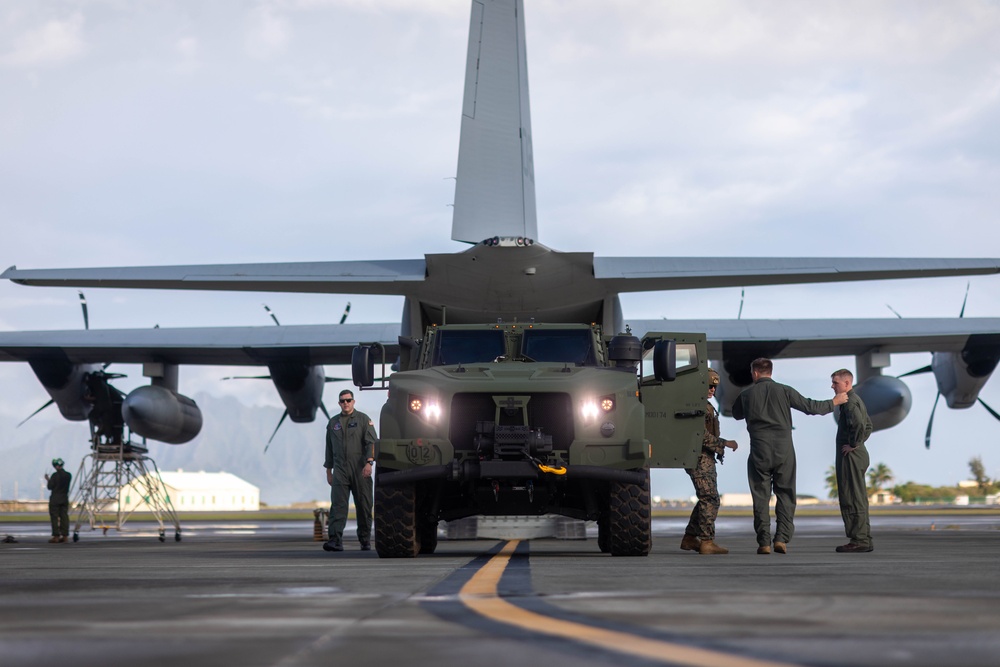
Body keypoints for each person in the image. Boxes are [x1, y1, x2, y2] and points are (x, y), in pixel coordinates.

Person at [732, 358, 847, 555]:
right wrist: (833, 402)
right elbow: (810, 407)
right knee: (785, 494)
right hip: (784, 449)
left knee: (760, 496)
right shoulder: (785, 391)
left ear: (755, 373)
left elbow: (736, 414)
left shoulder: (747, 394)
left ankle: (764, 543)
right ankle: (781, 539)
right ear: (770, 372)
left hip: (759, 449)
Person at [681, 368, 739, 555]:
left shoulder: (703, 405)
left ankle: (690, 538)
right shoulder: (696, 405)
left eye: (714, 386)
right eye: (709, 385)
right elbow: (700, 435)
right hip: (698, 456)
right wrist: (724, 443)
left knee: (707, 497)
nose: (712, 389)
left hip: (704, 457)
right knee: (710, 498)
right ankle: (706, 541)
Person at [323, 389, 377, 552]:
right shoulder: (333, 423)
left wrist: (369, 463)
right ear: (339, 403)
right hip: (340, 470)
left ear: (353, 402)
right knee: (338, 506)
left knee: (364, 505)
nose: (345, 403)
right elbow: (329, 448)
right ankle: (335, 540)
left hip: (360, 469)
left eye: (348, 400)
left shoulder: (363, 420)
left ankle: (365, 539)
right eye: (342, 401)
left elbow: (371, 443)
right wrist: (328, 471)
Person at [830, 369, 874, 553]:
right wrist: (858, 444)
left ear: (847, 383)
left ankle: (859, 540)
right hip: (857, 454)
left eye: (835, 383)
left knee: (852, 498)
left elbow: (858, 425)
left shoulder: (849, 403)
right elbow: (869, 425)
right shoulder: (856, 401)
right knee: (857, 497)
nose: (832, 386)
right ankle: (863, 538)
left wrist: (853, 444)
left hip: (851, 457)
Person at [45, 458, 72, 544]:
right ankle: (65, 536)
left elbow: (50, 487)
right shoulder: (68, 475)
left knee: (54, 517)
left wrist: (48, 479)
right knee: (64, 517)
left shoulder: (54, 476)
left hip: (55, 498)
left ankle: (56, 536)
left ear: (56, 466)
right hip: (64, 498)